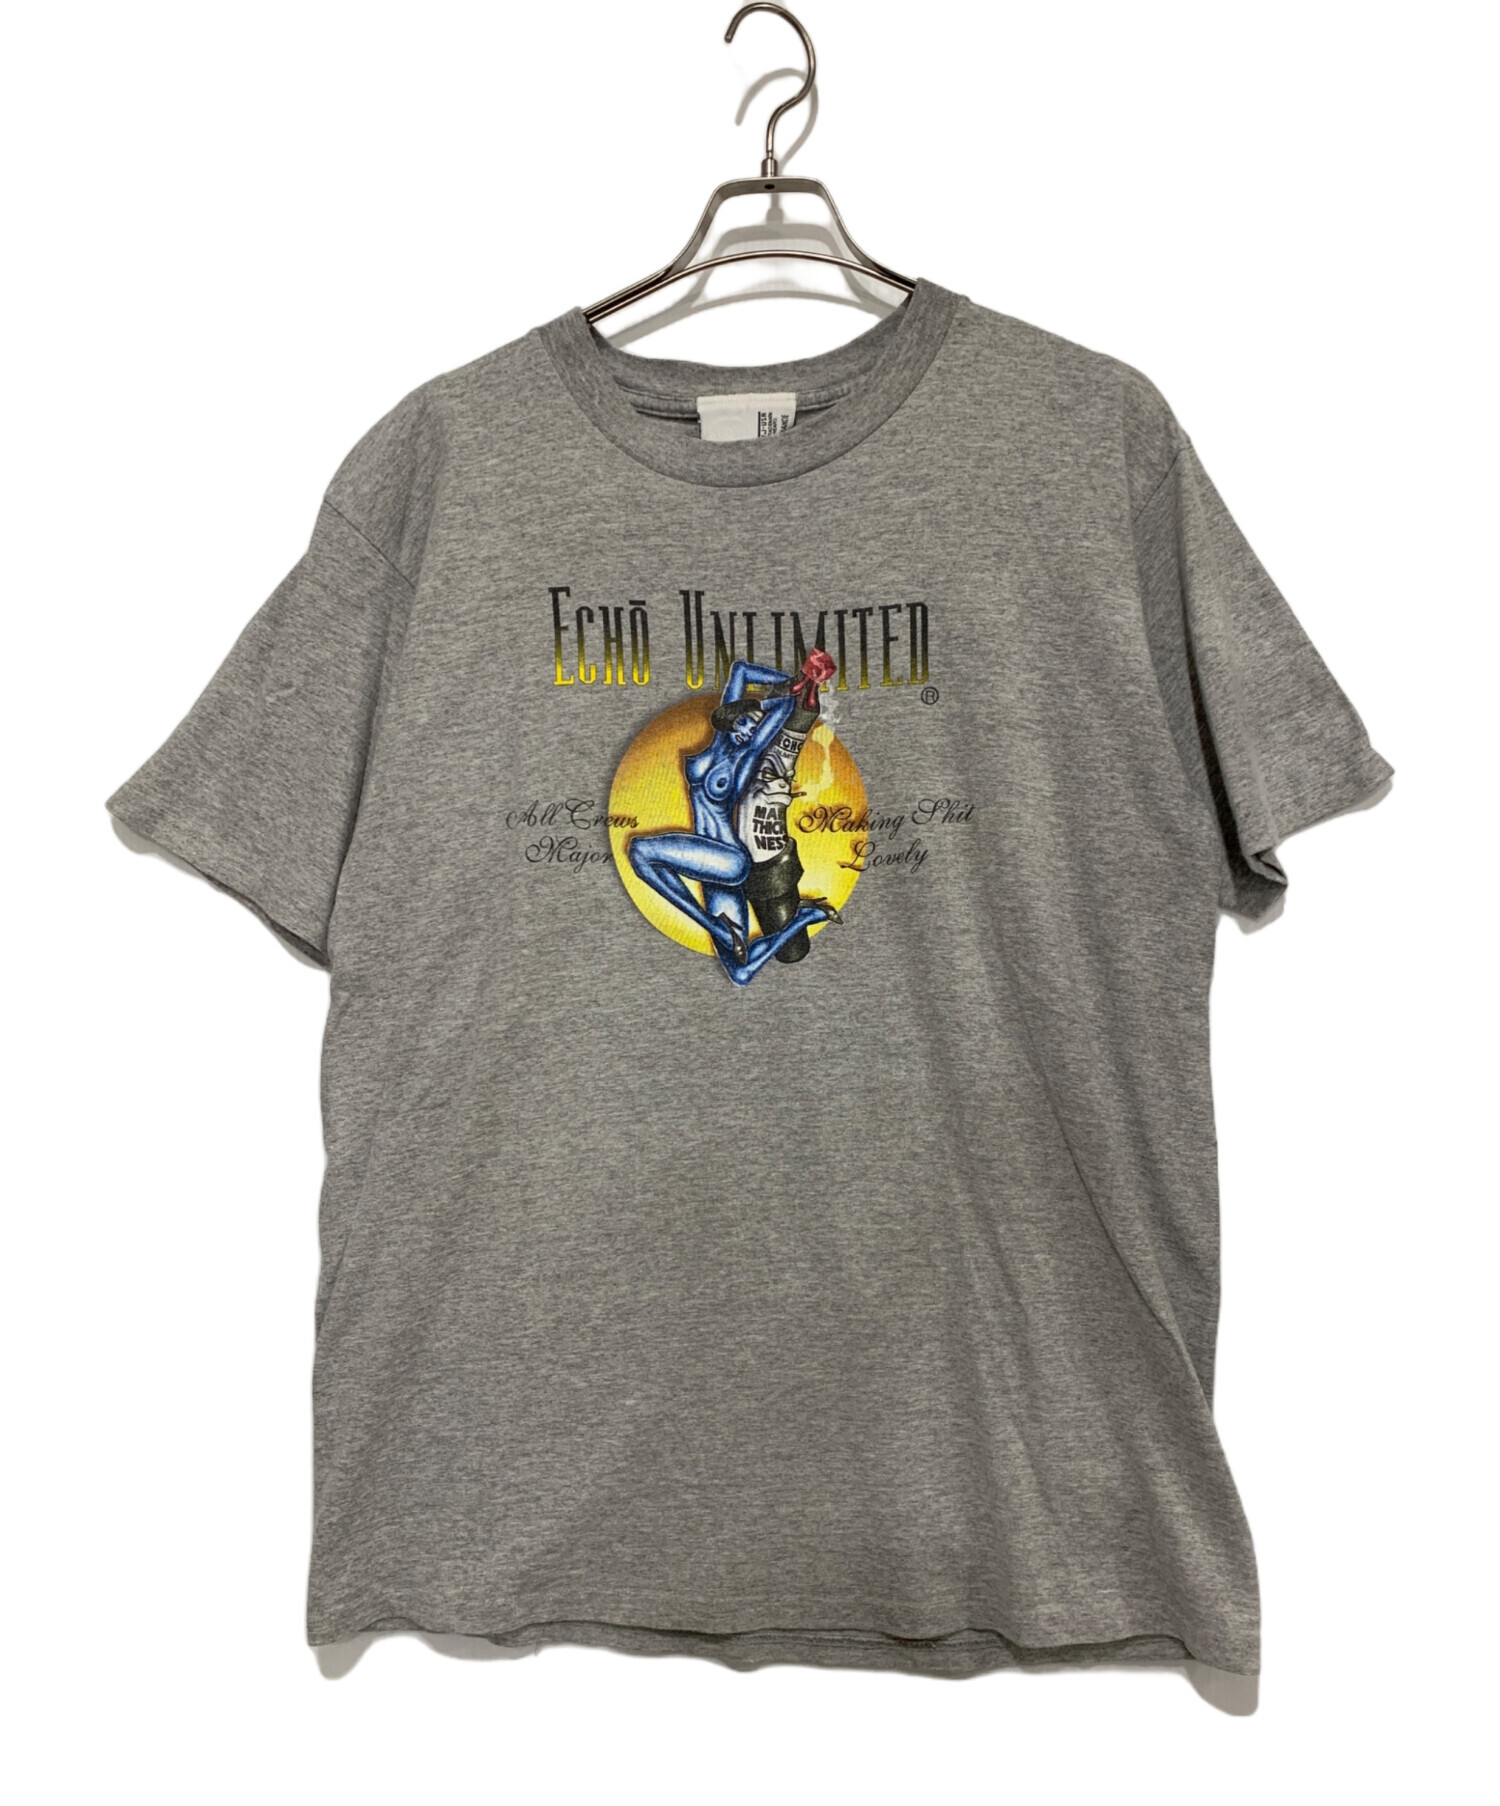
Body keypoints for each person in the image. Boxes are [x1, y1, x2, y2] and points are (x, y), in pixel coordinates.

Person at [627, 652, 840, 986]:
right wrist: (787, 682)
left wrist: (801, 684)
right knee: (739, 971)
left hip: (729, 860)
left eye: (754, 728)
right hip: (712, 873)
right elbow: (740, 671)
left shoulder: (747, 759)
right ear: (733, 716)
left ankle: (710, 923)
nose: (747, 732)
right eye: (744, 723)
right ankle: (803, 918)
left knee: (640, 851)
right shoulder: (718, 743)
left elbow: (786, 708)